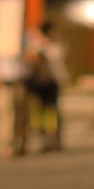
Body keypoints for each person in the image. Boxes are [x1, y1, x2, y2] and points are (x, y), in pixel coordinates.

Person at [24, 20, 69, 152]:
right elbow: (30, 58)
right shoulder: (35, 44)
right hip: (38, 83)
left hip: (51, 82)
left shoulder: (56, 46)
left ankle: (53, 139)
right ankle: (41, 139)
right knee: (37, 113)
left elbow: (57, 58)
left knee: (51, 112)